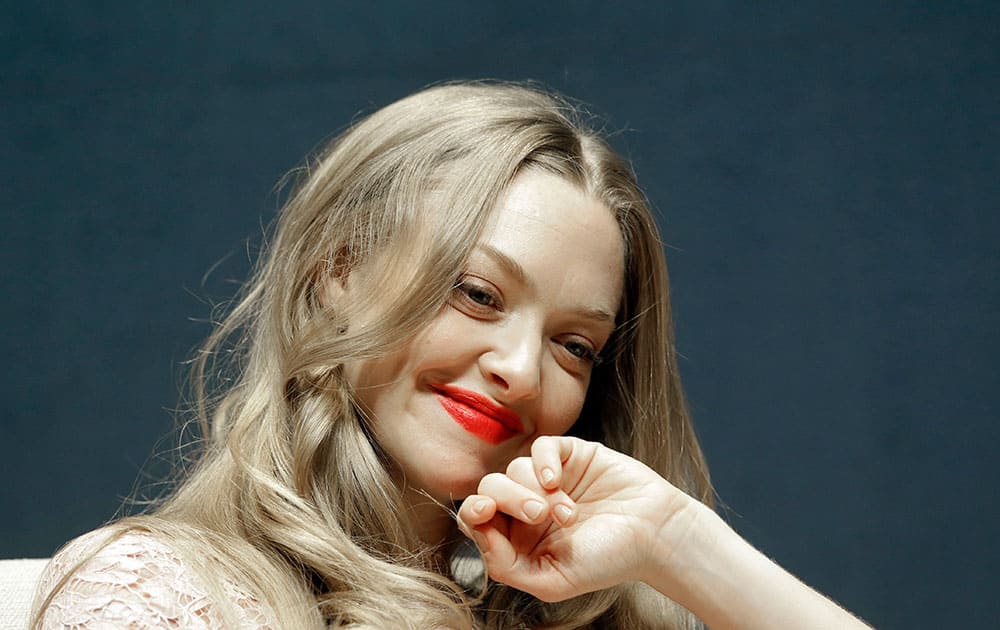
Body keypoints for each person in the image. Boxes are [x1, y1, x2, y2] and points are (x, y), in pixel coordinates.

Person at [32, 82, 869, 629]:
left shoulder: (597, 609)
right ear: (337, 272)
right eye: (477, 294)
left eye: (574, 345)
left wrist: (677, 540)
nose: (521, 368)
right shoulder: (158, 595)